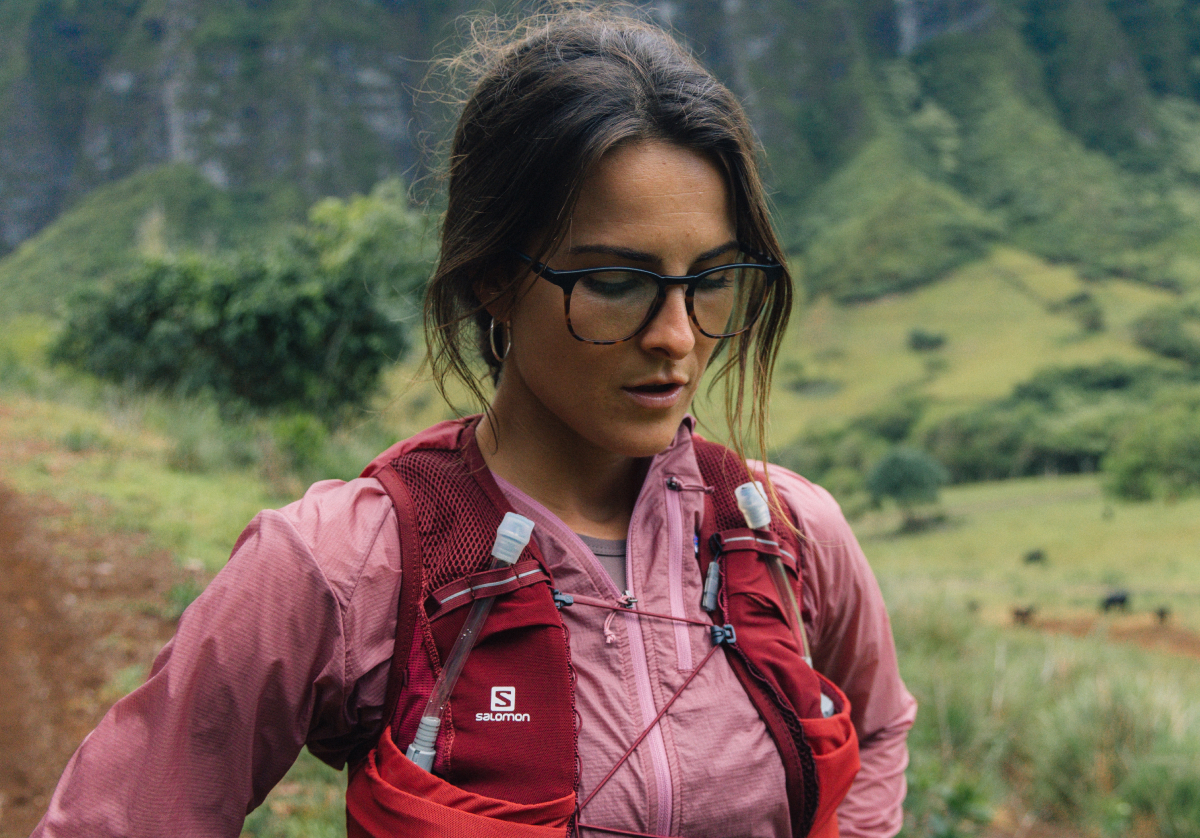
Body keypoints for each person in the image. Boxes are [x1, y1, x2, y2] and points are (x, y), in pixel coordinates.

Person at [32, 6, 915, 838]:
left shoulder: (785, 532)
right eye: (614, 282)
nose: (676, 337)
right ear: (494, 274)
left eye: (711, 280)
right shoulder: (345, 568)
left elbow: (877, 730)